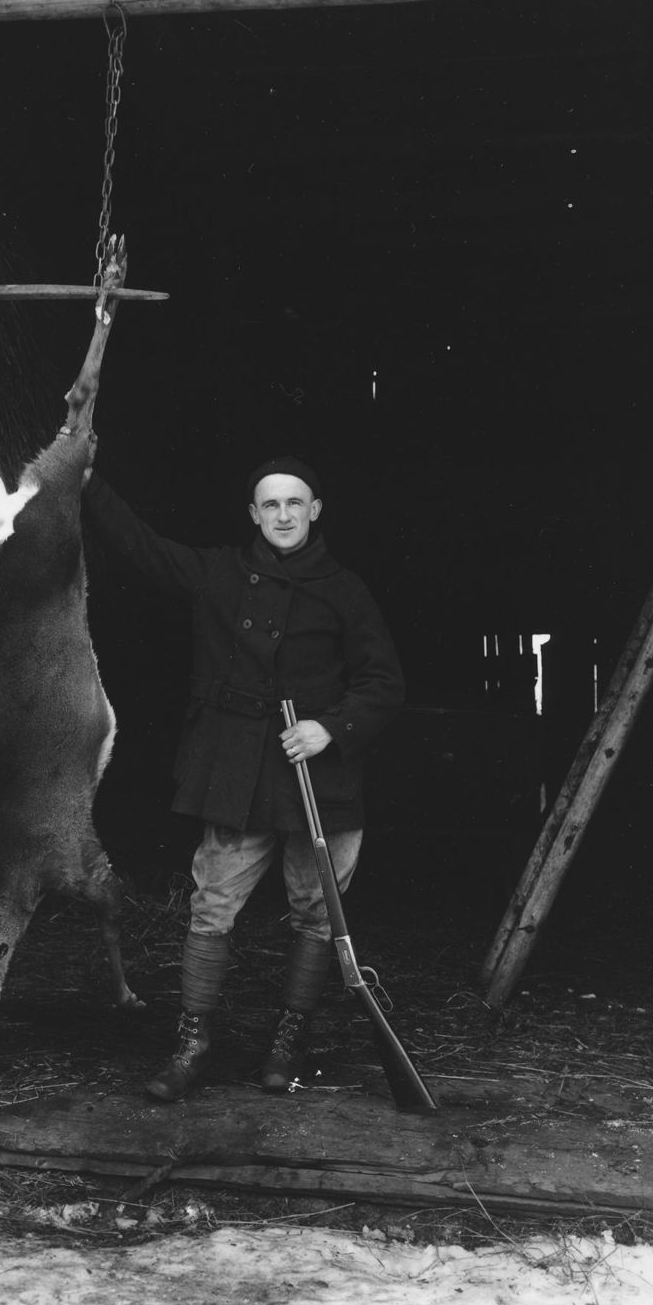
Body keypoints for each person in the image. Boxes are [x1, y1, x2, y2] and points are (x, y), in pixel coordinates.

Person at [82, 454, 404, 1101]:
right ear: (254, 514)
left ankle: (289, 1043)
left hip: (319, 780)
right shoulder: (220, 573)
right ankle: (193, 1043)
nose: (283, 514)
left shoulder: (346, 590)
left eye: (295, 503)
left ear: (314, 510)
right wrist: (88, 479)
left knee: (318, 913)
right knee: (212, 904)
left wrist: (329, 729)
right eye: (270, 504)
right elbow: (144, 548)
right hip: (237, 774)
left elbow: (384, 683)